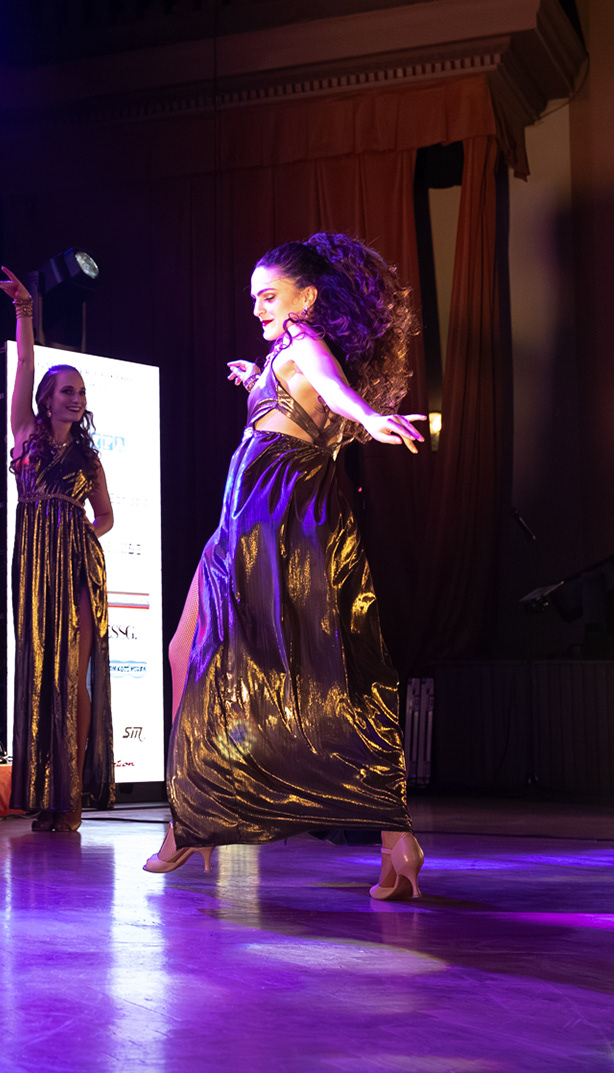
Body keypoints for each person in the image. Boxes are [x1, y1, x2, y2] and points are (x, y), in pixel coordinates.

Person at [147, 232, 428, 899]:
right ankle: (389, 841)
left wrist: (370, 416)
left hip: (272, 514)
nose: (258, 308)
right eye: (254, 298)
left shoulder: (305, 344)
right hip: (256, 513)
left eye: (269, 296)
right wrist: (259, 381)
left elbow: (330, 389)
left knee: (276, 667)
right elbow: (308, 399)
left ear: (307, 297)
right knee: (213, 653)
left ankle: (192, 821)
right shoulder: (287, 355)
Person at [0, 266, 115, 832]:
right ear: (46, 399)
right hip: (34, 565)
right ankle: (46, 795)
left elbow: (107, 517)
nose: (77, 399)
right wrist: (25, 309)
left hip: (79, 568)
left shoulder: (90, 459)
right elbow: (24, 363)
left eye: (82, 393)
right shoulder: (24, 434)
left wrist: (83, 536)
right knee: (40, 677)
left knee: (73, 676)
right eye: (68, 391)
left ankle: (71, 800)